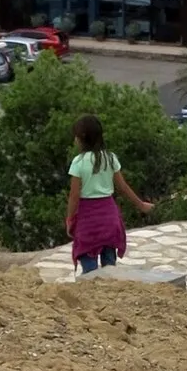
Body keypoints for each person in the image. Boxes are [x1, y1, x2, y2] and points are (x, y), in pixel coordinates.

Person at [65, 112, 152, 273]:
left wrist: (70, 219)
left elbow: (74, 196)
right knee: (109, 266)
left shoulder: (78, 162)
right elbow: (123, 187)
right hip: (109, 217)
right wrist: (141, 205)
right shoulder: (110, 158)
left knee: (89, 267)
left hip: (88, 220)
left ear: (81, 138)